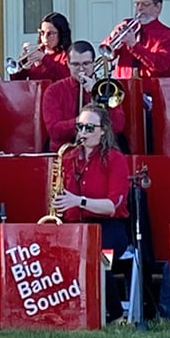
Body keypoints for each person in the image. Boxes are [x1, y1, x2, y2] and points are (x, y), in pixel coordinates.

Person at [54, 103, 132, 254]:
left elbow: (112, 206)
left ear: (103, 130)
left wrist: (79, 201)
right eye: (80, 127)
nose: (83, 132)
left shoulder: (115, 159)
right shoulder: (68, 158)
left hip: (107, 228)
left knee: (96, 257)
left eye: (89, 128)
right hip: (74, 228)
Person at [40, 42, 126, 151]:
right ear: (68, 64)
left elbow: (118, 126)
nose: (81, 69)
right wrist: (84, 121)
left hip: (101, 150)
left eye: (86, 64)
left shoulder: (106, 88)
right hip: (66, 151)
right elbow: (54, 131)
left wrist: (96, 94)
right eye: (76, 64)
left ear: (93, 63)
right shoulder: (54, 91)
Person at [103, 0, 170, 80]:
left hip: (152, 86)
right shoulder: (126, 25)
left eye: (145, 4)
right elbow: (108, 56)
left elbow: (161, 65)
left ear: (158, 7)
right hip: (124, 85)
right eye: (137, 4)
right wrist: (112, 37)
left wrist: (134, 46)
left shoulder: (166, 34)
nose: (139, 8)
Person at [8, 14, 72, 83]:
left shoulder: (68, 54)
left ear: (61, 34)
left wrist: (43, 58)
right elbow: (17, 82)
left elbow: (67, 76)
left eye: (50, 33)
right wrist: (23, 66)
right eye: (42, 32)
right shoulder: (37, 52)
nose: (45, 37)